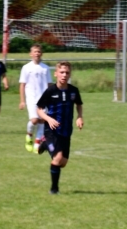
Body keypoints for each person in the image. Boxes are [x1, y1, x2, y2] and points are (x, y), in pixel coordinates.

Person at [36, 61, 84, 195]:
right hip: (51, 131)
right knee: (57, 158)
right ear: (56, 74)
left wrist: (79, 117)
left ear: (70, 74)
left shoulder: (73, 91)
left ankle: (44, 144)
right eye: (61, 72)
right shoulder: (50, 91)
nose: (64, 75)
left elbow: (79, 104)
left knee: (63, 163)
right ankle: (54, 189)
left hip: (66, 131)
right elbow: (39, 109)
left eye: (67, 73)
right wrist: (49, 119)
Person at [19, 43, 52, 153]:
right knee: (34, 120)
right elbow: (22, 85)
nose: (37, 53)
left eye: (39, 52)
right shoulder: (26, 68)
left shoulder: (45, 68)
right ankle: (29, 136)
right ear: (31, 54)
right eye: (35, 52)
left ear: (41, 53)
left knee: (42, 121)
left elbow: (49, 85)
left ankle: (37, 143)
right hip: (32, 98)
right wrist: (22, 100)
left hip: (43, 99)